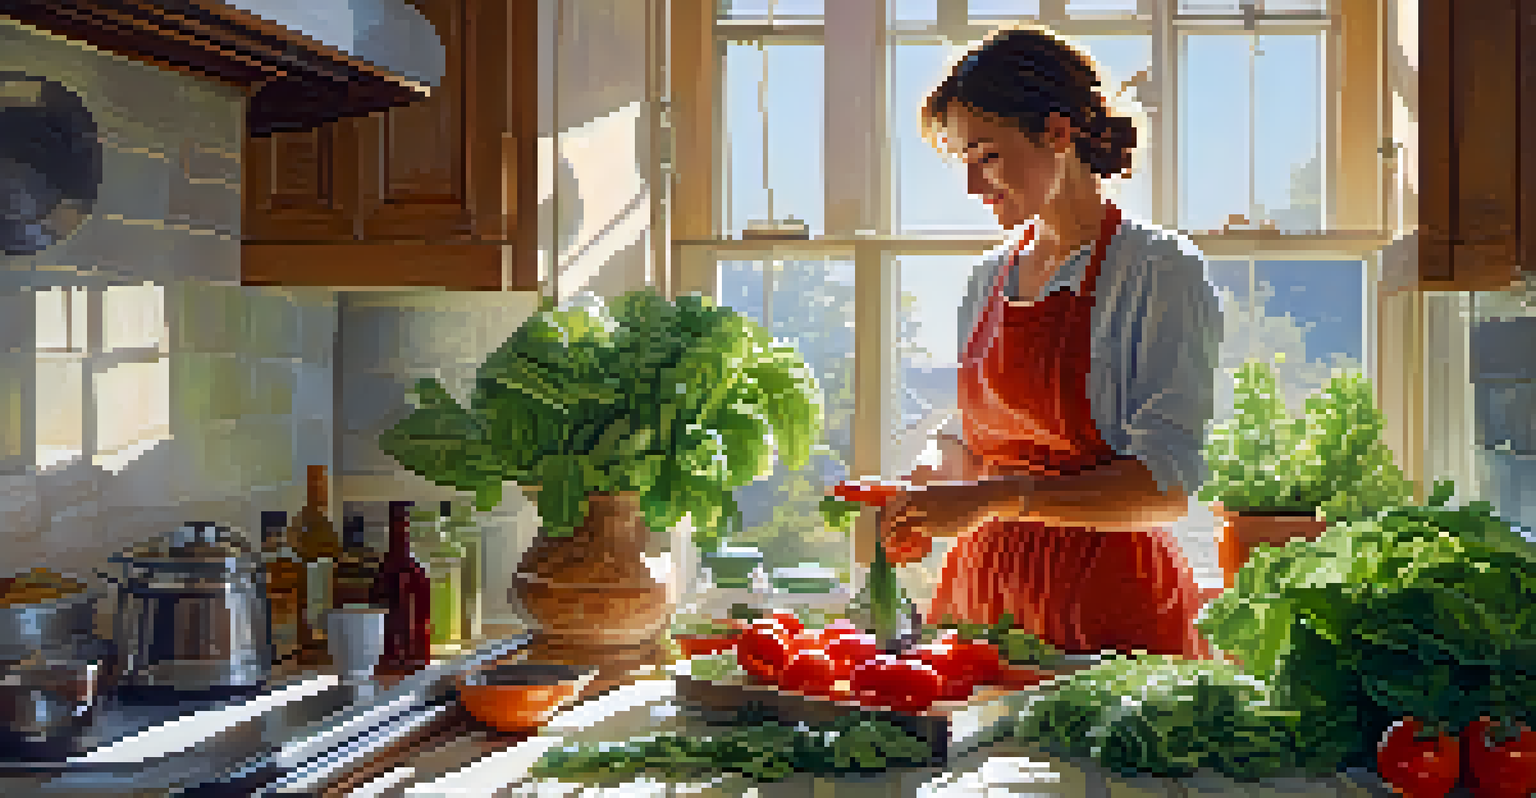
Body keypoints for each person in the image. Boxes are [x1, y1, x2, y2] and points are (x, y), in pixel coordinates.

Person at [881, 25, 1222, 658]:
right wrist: (932, 479)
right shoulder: (989, 276)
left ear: (1058, 134)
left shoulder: (1158, 269)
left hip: (1111, 605)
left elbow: (1165, 486)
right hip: (983, 599)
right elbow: (973, 432)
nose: (974, 188)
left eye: (988, 156)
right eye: (966, 163)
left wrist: (990, 500)